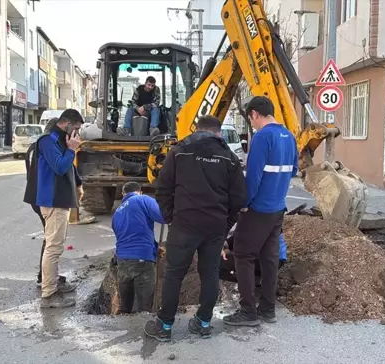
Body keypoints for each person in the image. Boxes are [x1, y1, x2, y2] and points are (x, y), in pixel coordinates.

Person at [144, 115, 246, 341]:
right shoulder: (229, 158)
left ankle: (165, 325)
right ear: (218, 133)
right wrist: (225, 223)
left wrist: (171, 218)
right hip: (215, 226)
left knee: (174, 274)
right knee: (209, 274)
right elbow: (239, 198)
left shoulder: (180, 152)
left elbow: (163, 188)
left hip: (184, 224)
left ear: (197, 129)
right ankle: (203, 322)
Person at [223, 96, 297, 327]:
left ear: (255, 114)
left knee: (243, 256)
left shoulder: (262, 137)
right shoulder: (289, 136)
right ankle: (267, 309)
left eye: (250, 120)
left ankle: (248, 312)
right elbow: (293, 170)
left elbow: (253, 177)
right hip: (277, 209)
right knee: (269, 259)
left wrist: (244, 203)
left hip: (258, 209)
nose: (251, 124)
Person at [24, 118, 85, 288]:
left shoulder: (54, 144)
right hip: (43, 198)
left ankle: (47, 277)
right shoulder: (46, 144)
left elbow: (70, 168)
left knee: (51, 238)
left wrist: (78, 184)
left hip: (43, 197)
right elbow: (58, 168)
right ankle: (46, 280)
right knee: (52, 241)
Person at [112, 181, 165, 314]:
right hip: (143, 261)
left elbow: (129, 236)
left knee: (125, 308)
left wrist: (155, 247)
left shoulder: (117, 213)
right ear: (139, 191)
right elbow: (164, 216)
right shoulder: (142, 199)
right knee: (144, 310)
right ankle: (141, 333)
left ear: (123, 194)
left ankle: (121, 332)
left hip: (123, 262)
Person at [219, 230, 287, 285]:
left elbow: (242, 239)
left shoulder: (256, 219)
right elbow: (238, 237)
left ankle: (255, 281)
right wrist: (222, 246)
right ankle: (255, 279)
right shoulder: (266, 216)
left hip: (268, 261)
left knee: (216, 264)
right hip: (274, 261)